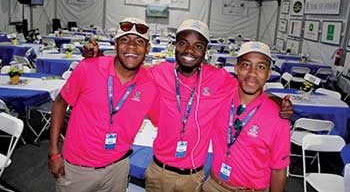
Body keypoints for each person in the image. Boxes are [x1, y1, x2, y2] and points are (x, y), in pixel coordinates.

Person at [83, 19, 293, 192]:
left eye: (198, 46)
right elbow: (128, 68)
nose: (190, 50)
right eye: (183, 43)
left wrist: (277, 103)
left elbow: (251, 84)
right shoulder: (159, 73)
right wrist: (99, 57)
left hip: (194, 178)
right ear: (175, 45)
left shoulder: (219, 79)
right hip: (158, 172)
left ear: (205, 51)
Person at [48, 17, 159, 192]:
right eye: (125, 40)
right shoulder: (88, 68)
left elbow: (162, 120)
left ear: (147, 50)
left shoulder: (151, 84)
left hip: (118, 169)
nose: (131, 47)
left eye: (139, 42)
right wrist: (53, 152)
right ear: (115, 45)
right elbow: (60, 103)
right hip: (77, 170)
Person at [202, 41, 290, 192]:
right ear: (236, 68)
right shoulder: (219, 98)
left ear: (269, 74)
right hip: (213, 185)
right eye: (246, 65)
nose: (252, 73)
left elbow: (278, 170)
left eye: (260, 67)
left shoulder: (278, 117)